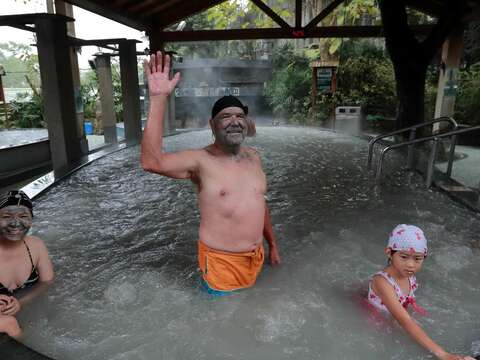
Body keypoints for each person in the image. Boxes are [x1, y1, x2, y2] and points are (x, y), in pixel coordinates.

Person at [141, 51, 280, 295]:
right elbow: (151, 162)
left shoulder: (253, 157)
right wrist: (158, 98)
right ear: (212, 125)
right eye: (225, 117)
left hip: (255, 259)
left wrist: (272, 245)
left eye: (240, 116)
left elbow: (259, 203)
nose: (234, 121)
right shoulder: (200, 160)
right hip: (220, 265)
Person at [368, 224, 474, 360]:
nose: (411, 265)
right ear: (389, 253)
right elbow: (405, 321)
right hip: (378, 319)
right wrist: (442, 354)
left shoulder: (408, 275)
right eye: (404, 257)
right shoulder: (382, 282)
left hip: (397, 311)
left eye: (417, 258)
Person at [0, 190, 54, 337]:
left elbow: (47, 283)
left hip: (30, 316)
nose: (15, 223)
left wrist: (21, 302)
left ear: (31, 219)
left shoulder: (36, 246)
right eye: (6, 216)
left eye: (23, 216)